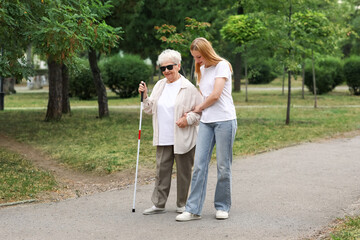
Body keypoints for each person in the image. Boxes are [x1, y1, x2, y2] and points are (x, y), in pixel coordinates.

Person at [176, 37, 237, 221]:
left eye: (199, 57)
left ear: (207, 52)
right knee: (200, 166)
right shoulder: (201, 69)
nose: (197, 61)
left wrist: (198, 108)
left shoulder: (222, 65)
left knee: (223, 165)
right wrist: (193, 110)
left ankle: (222, 206)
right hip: (207, 122)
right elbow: (202, 96)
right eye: (194, 57)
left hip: (225, 120)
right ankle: (193, 209)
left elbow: (216, 95)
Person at [138, 49, 203, 215]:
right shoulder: (160, 85)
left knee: (184, 173)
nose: (166, 71)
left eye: (169, 67)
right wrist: (145, 96)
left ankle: (182, 204)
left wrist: (187, 120)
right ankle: (159, 204)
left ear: (178, 66)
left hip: (183, 137)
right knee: (161, 172)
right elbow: (149, 109)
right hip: (164, 136)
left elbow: (200, 113)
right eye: (162, 68)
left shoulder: (188, 88)